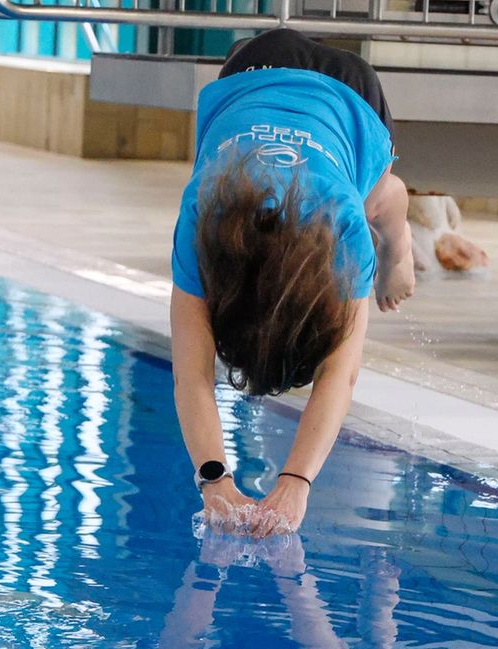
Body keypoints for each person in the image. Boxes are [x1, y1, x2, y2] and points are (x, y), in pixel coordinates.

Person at [171, 29, 415, 536]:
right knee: (351, 186)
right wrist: (215, 479)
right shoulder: (203, 216)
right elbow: (191, 376)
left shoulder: (346, 228)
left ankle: (401, 243)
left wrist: (297, 481)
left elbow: (337, 375)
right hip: (254, 65)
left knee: (381, 195)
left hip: (346, 93)